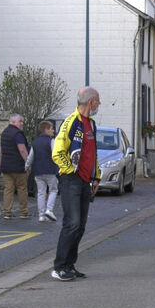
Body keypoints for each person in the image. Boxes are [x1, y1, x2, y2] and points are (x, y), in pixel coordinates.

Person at [51, 87, 102, 281]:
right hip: (71, 179)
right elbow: (57, 151)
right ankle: (59, 266)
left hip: (85, 181)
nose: (99, 105)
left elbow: (92, 154)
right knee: (71, 224)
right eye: (98, 101)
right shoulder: (71, 122)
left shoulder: (91, 124)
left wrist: (96, 177)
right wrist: (70, 171)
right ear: (91, 102)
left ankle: (70, 265)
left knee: (80, 225)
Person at [26, 121, 59, 222]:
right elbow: (55, 155)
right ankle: (49, 210)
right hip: (50, 170)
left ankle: (41, 215)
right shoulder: (51, 141)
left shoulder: (35, 142)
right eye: (52, 128)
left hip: (38, 171)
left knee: (41, 193)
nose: (53, 130)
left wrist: (26, 166)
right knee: (53, 190)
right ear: (46, 130)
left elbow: (30, 157)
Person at [0, 113, 29, 220]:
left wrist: (0, 163)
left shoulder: (4, 133)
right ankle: (23, 212)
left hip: (6, 166)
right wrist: (28, 163)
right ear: (13, 122)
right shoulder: (18, 134)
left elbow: (1, 150)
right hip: (19, 167)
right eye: (20, 121)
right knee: (22, 188)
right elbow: (22, 150)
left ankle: (7, 212)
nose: (22, 124)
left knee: (8, 190)